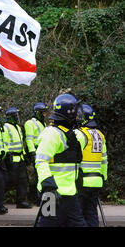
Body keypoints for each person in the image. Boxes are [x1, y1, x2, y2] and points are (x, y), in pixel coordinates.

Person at [35, 93, 87, 227]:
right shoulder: (51, 134)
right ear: (68, 113)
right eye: (76, 112)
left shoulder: (72, 134)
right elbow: (41, 161)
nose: (78, 115)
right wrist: (49, 187)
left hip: (70, 194)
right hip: (51, 195)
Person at [77, 104, 108, 227]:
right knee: (91, 213)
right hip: (97, 181)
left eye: (79, 116)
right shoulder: (100, 135)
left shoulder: (79, 134)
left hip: (82, 181)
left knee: (78, 214)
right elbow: (104, 160)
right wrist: (103, 177)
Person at [3, 107, 31, 208]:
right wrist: (7, 156)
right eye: (15, 116)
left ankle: (21, 201)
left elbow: (20, 143)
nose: (17, 118)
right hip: (12, 158)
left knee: (23, 180)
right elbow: (4, 142)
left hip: (20, 158)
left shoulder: (18, 127)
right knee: (10, 181)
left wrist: (24, 154)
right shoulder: (5, 127)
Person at [25, 102, 48, 205]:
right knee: (39, 176)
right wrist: (32, 153)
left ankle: (38, 197)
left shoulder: (42, 123)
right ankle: (37, 198)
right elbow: (29, 139)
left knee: (41, 175)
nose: (45, 115)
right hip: (36, 152)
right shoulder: (30, 123)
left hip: (44, 152)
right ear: (38, 113)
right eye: (43, 113)